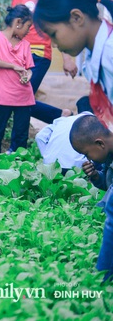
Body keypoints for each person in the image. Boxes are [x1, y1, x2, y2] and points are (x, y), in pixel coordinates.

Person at [34, 0, 113, 129]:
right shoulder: (92, 60)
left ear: (77, 18)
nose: (54, 44)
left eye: (53, 34)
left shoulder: (110, 54)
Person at [11, 0, 75, 123]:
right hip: (17, 55)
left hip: (38, 54)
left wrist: (67, 58)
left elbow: (60, 24)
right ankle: (61, 116)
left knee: (21, 99)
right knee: (19, 100)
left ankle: (17, 146)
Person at [0, 5, 35, 153]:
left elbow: (29, 68)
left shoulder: (25, 45)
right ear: (18, 22)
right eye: (28, 26)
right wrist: (13, 66)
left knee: (21, 135)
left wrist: (27, 75)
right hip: (2, 96)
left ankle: (20, 164)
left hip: (23, 96)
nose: (28, 31)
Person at [69, 114, 113, 281]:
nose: (88, 159)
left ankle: (103, 277)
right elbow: (109, 186)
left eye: (87, 154)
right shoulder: (108, 155)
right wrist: (96, 177)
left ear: (99, 143)